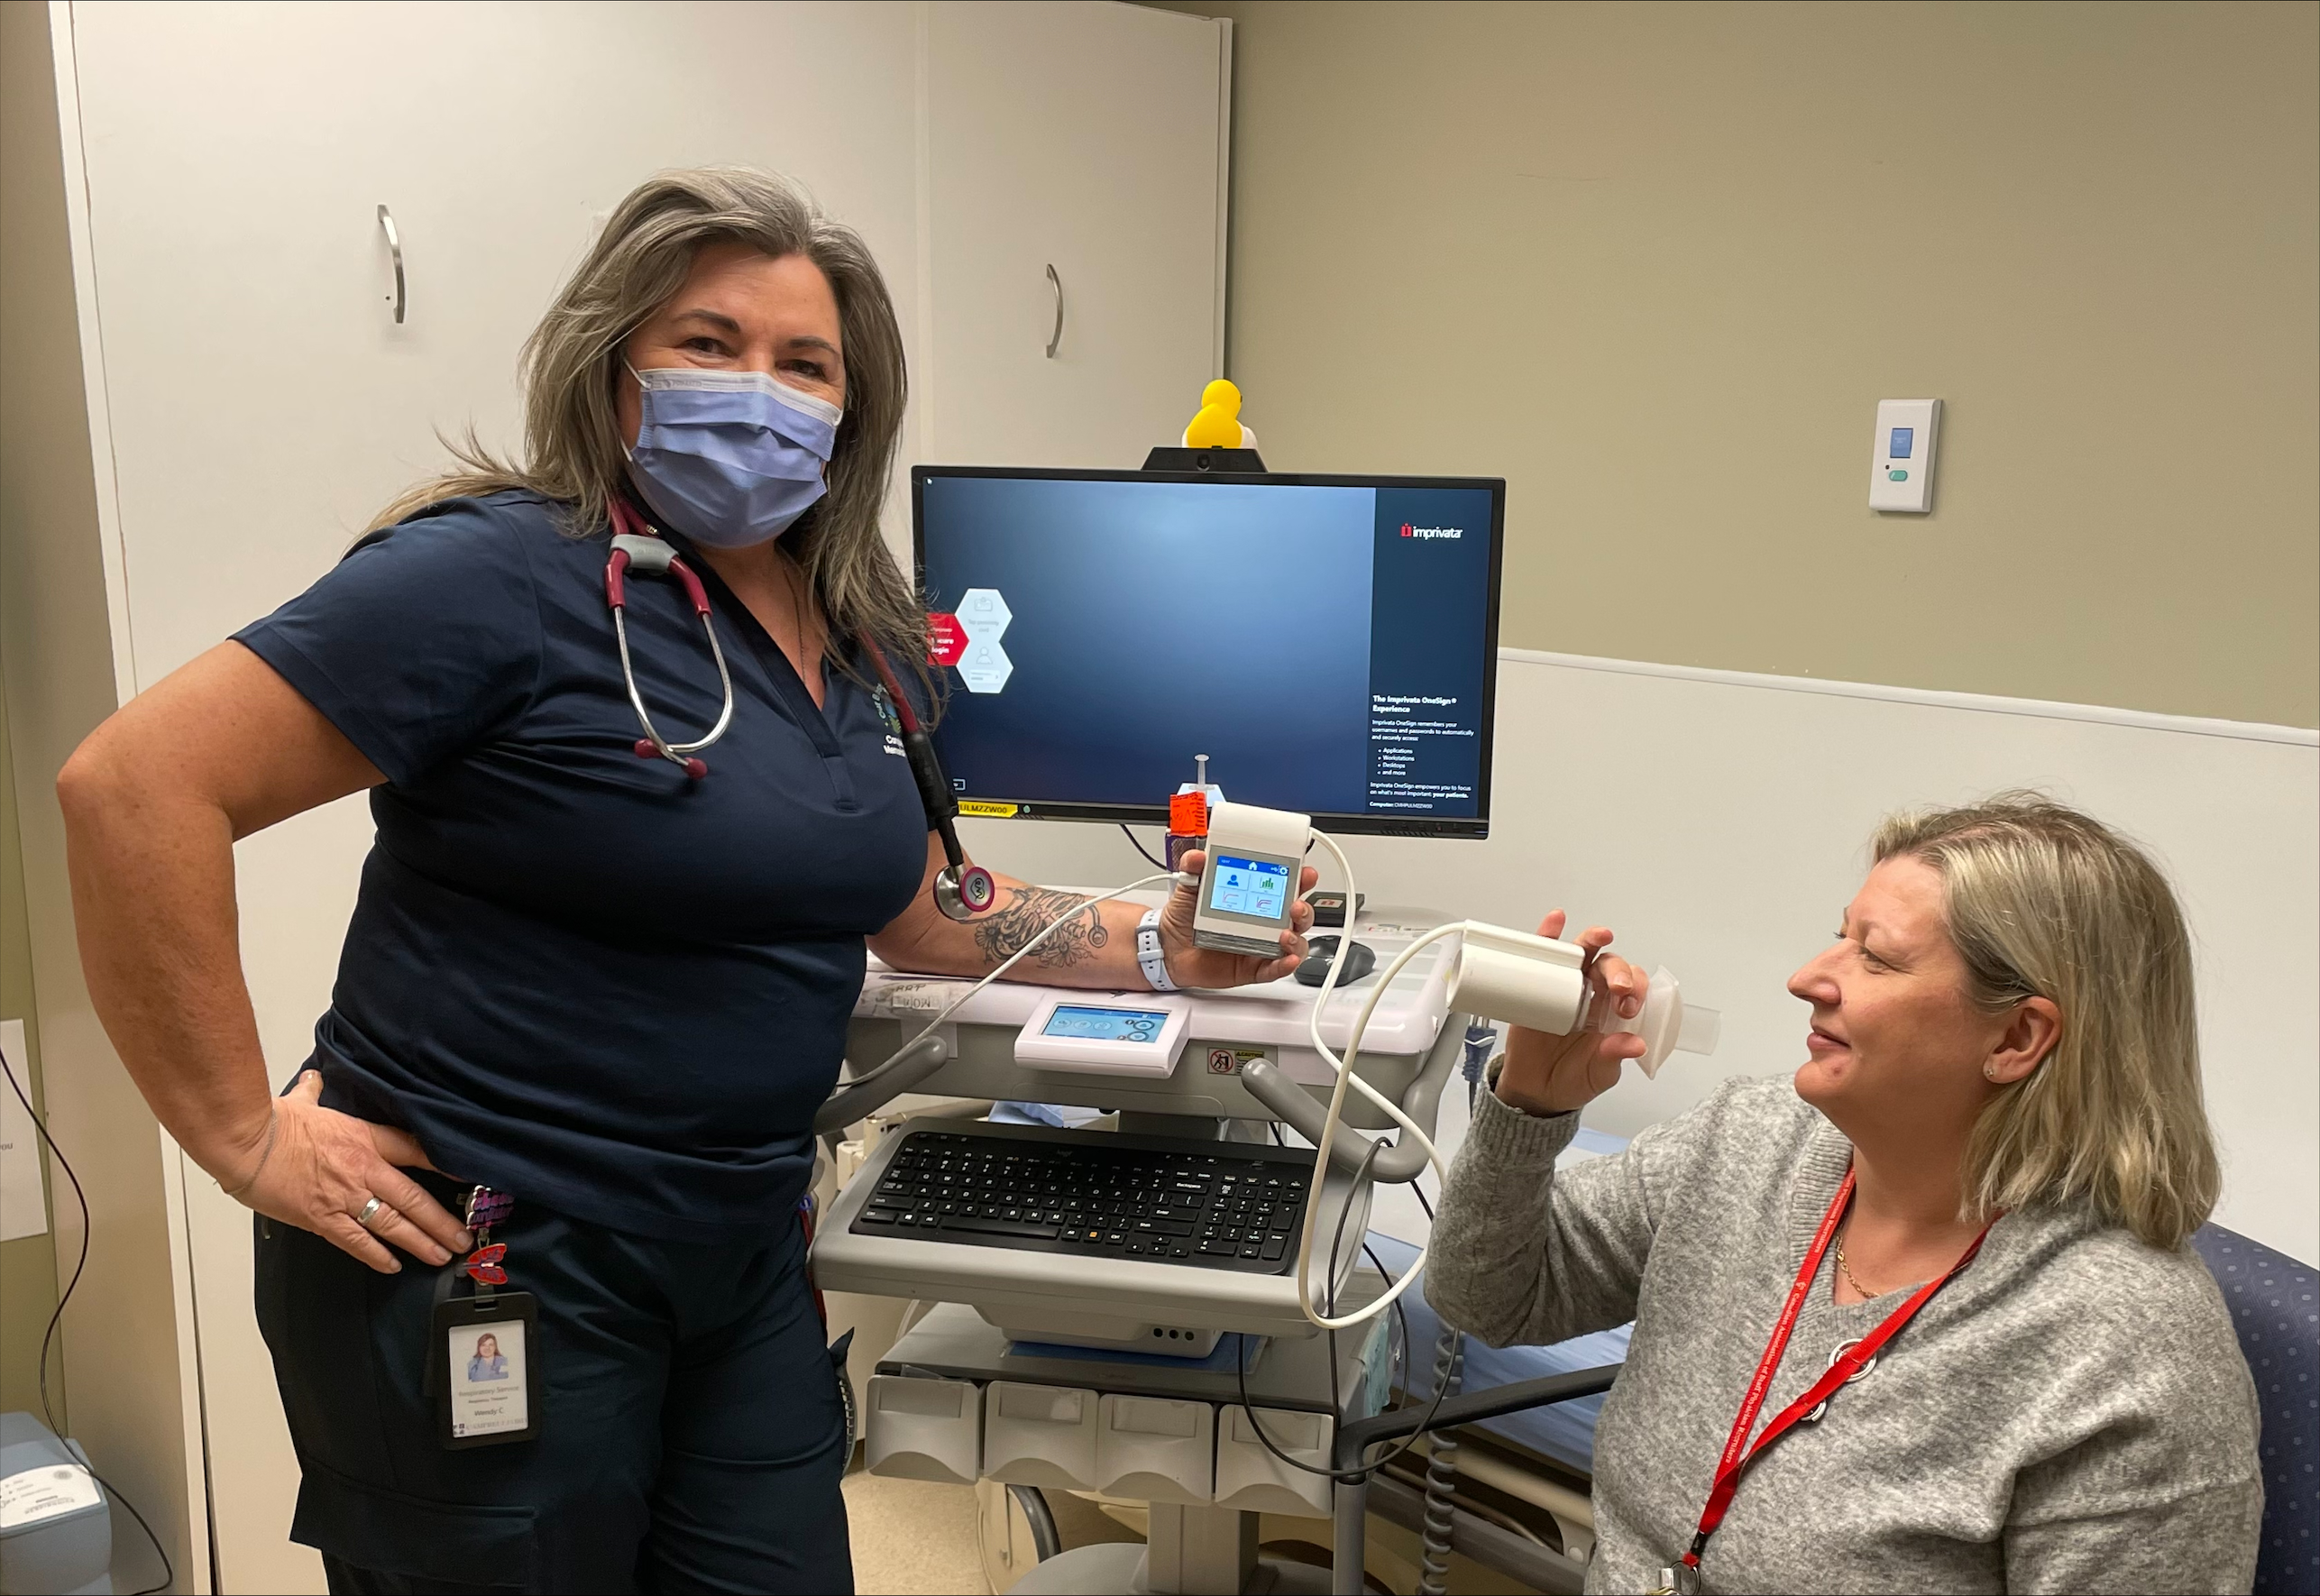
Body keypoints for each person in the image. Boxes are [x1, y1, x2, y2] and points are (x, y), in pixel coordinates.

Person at [57, 166, 1313, 1595]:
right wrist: (242, 1135)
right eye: (708, 344)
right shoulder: (496, 578)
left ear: (852, 410)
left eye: (804, 363)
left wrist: (1164, 939)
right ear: (614, 365)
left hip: (740, 1258)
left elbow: (919, 903)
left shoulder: (865, 632)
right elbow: (135, 789)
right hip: (494, 1256)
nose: (758, 390)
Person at [1426, 794, 2261, 1594]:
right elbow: (1490, 1296)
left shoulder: (2127, 1354)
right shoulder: (1751, 1140)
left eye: (1876, 956)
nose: (1805, 978)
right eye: (1837, 937)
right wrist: (1530, 1106)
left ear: (2016, 1038)